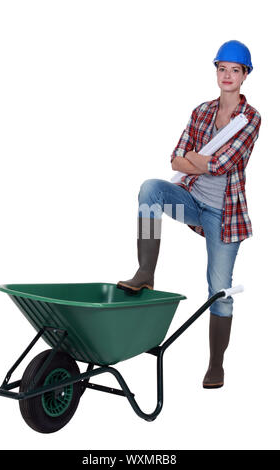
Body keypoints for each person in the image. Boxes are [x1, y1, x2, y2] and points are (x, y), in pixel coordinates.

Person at [117, 40, 262, 389]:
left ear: (245, 75)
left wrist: (199, 160)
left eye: (235, 70)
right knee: (151, 189)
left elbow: (225, 164)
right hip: (193, 201)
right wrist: (202, 162)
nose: (227, 75)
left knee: (219, 289)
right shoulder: (200, 112)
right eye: (222, 68)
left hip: (225, 216)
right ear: (216, 71)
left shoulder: (251, 119)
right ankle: (145, 272)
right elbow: (176, 159)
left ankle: (216, 365)